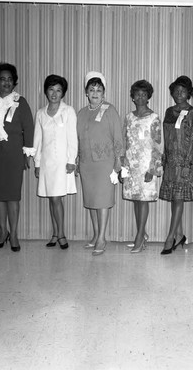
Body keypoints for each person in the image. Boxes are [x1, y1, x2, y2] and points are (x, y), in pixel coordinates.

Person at [0, 62, 35, 252]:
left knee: (12, 196)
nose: (6, 82)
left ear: (15, 82)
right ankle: (2, 232)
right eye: (2, 79)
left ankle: (13, 234)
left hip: (14, 155)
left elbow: (29, 128)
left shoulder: (21, 102)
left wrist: (27, 154)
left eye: (10, 79)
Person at [76, 72, 124, 256]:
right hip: (87, 163)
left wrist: (118, 160)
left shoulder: (109, 110)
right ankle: (96, 235)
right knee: (91, 200)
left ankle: (102, 238)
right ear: (86, 92)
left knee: (102, 200)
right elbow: (78, 139)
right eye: (91, 89)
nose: (95, 92)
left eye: (99, 89)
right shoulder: (81, 113)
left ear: (104, 92)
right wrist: (77, 160)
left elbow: (117, 136)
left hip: (105, 162)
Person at [33, 74, 78, 250]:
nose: (54, 93)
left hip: (62, 164)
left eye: (58, 90)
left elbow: (72, 138)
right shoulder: (40, 113)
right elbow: (37, 140)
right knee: (52, 199)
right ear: (46, 91)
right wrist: (37, 163)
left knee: (56, 198)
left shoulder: (68, 111)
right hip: (46, 163)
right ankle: (55, 233)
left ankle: (61, 234)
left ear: (63, 93)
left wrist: (71, 160)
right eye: (51, 89)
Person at [121, 80, 163, 253]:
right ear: (132, 96)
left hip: (146, 165)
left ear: (148, 97)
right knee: (136, 200)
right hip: (131, 164)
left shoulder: (154, 118)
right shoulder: (129, 117)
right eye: (137, 94)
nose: (140, 97)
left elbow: (158, 145)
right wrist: (123, 163)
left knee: (143, 200)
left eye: (144, 94)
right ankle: (142, 233)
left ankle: (139, 237)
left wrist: (153, 169)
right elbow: (124, 141)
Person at [159, 76, 193, 255]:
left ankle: (170, 238)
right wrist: (164, 157)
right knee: (174, 201)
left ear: (189, 93)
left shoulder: (192, 112)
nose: (179, 94)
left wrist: (188, 164)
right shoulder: (169, 111)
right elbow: (167, 136)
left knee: (178, 199)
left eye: (183, 91)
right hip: (170, 161)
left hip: (183, 162)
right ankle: (180, 234)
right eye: (176, 90)